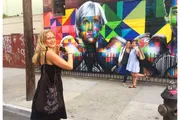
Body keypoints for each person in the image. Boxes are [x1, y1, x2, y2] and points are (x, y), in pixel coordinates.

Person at [30, 29, 73, 120]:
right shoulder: (49, 53)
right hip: (50, 91)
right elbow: (70, 66)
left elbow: (53, 65)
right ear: (43, 41)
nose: (52, 40)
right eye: (49, 38)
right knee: (51, 116)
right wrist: (69, 53)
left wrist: (57, 50)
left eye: (53, 37)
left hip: (47, 87)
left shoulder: (43, 52)